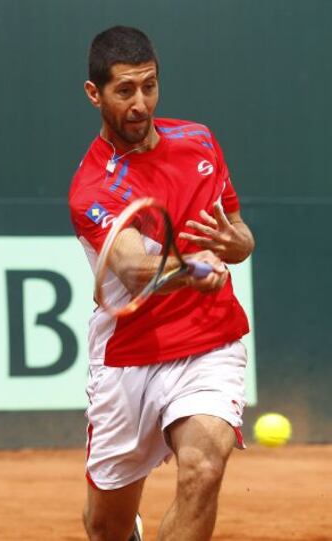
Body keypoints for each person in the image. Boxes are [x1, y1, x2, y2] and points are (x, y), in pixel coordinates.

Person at [69, 25, 255, 541]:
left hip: (208, 342)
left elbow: (239, 234)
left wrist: (237, 245)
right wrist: (196, 267)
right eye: (124, 90)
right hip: (129, 357)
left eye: (149, 86)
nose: (140, 103)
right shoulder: (92, 186)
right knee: (105, 527)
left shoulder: (198, 140)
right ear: (95, 93)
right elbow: (133, 269)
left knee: (204, 469)